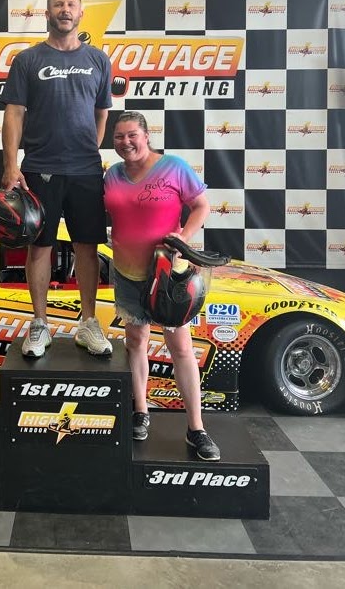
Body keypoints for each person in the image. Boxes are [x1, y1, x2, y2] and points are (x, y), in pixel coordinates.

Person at [0, 0, 113, 358]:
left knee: (87, 246)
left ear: (81, 12)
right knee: (39, 247)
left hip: (85, 170)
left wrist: (88, 149)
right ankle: (39, 324)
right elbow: (14, 114)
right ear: (47, 13)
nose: (65, 10)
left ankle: (88, 323)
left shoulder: (98, 60)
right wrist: (10, 164)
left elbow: (101, 112)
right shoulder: (28, 60)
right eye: (57, 5)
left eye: (71, 4)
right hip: (39, 168)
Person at [104, 111, 220, 461]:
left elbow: (201, 205)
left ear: (146, 134)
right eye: (119, 137)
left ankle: (196, 428)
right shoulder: (111, 174)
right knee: (136, 341)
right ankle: (141, 411)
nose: (126, 142)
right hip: (125, 273)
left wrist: (183, 237)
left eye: (132, 135)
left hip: (168, 275)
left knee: (181, 348)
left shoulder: (173, 167)